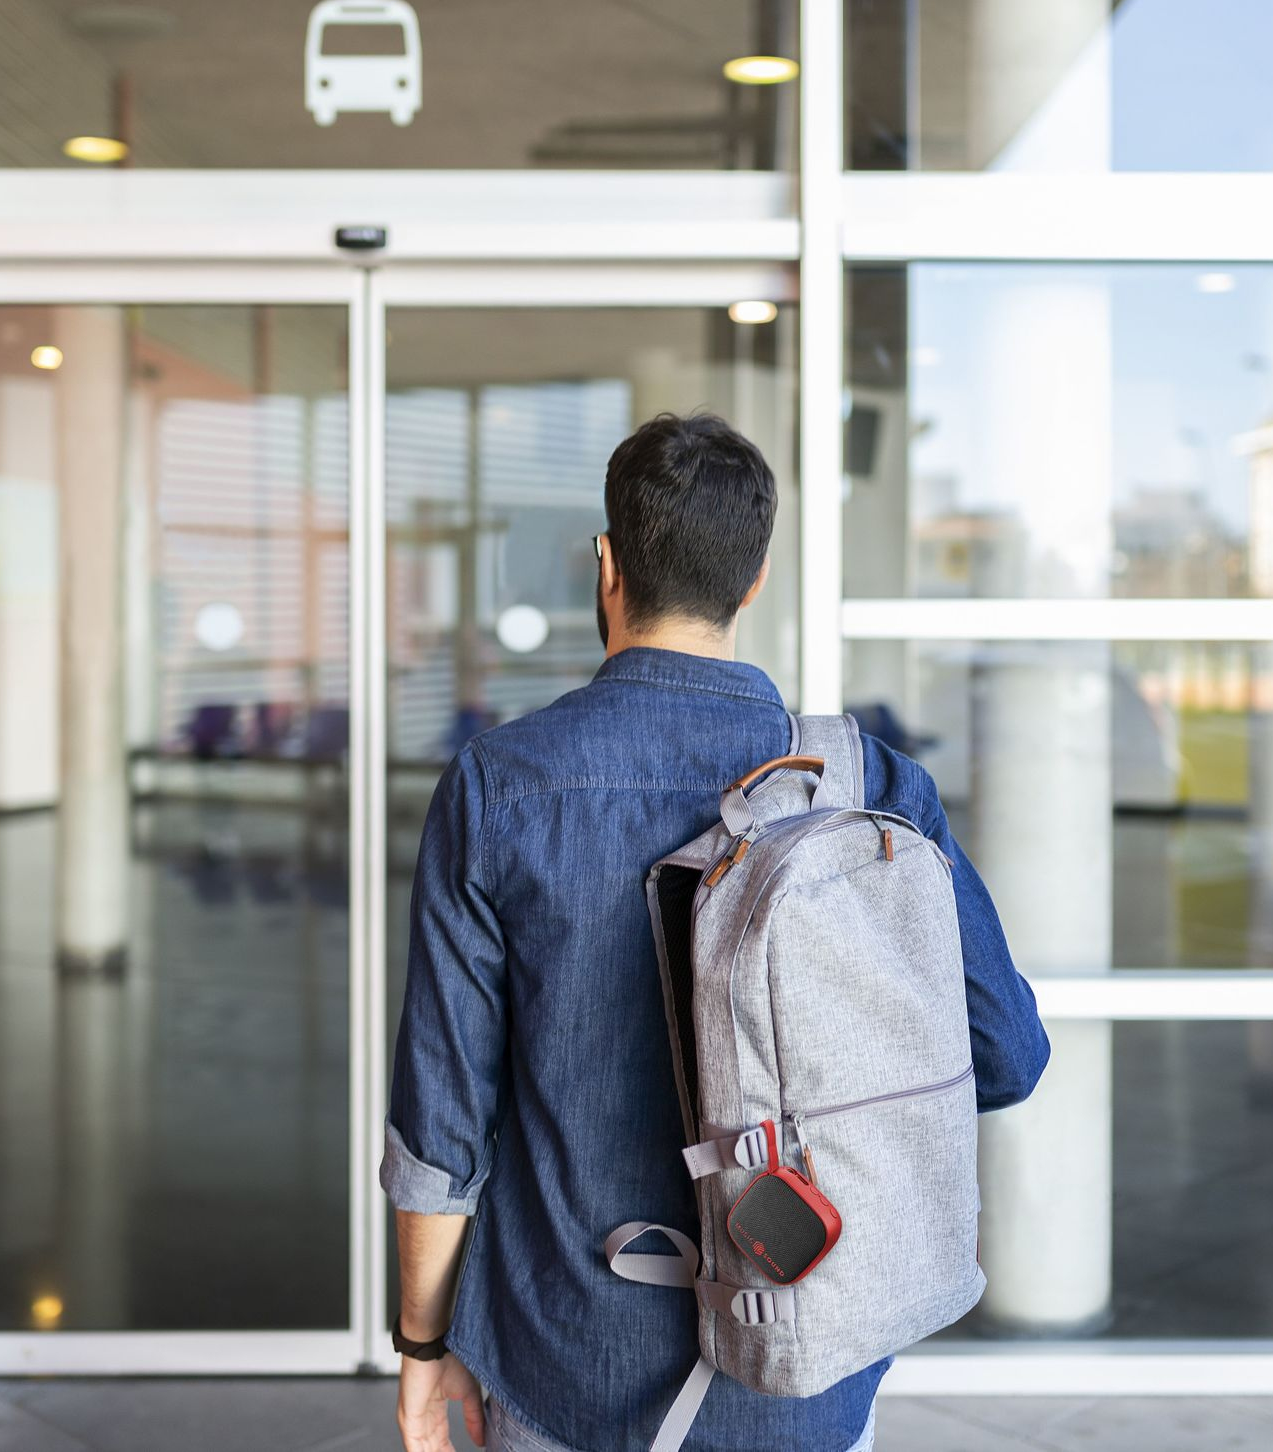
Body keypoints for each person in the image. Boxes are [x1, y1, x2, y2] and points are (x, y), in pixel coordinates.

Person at [383, 412, 1051, 1452]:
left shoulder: (501, 785)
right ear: (756, 578)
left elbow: (441, 1135)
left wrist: (423, 1350)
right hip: (808, 1352)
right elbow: (1007, 1055)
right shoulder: (868, 788)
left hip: (566, 1356)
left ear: (604, 566)